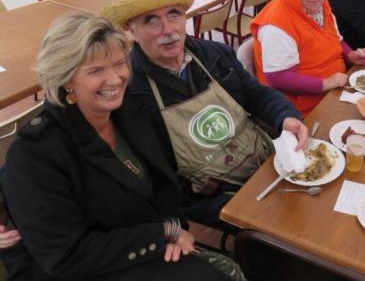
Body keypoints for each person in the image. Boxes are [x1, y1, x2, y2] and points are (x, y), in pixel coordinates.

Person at [3, 14, 242, 280]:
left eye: (119, 64)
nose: (115, 79)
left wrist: (174, 227)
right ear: (66, 79)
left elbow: (163, 183)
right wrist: (160, 234)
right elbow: (67, 257)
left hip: (135, 248)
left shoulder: (128, 112)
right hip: (86, 269)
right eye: (95, 70)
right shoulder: (36, 153)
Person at [101, 0, 307, 230]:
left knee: (310, 203)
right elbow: (153, 176)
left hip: (262, 158)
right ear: (131, 30)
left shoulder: (214, 54)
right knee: (280, 228)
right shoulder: (129, 93)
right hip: (208, 194)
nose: (168, 30)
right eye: (151, 20)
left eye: (174, 14)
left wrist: (285, 117)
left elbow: (256, 94)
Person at [250, 0, 365, 117]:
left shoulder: (320, 4)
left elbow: (335, 38)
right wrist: (326, 83)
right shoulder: (276, 24)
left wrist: (350, 55)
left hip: (335, 91)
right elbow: (277, 77)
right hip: (304, 108)